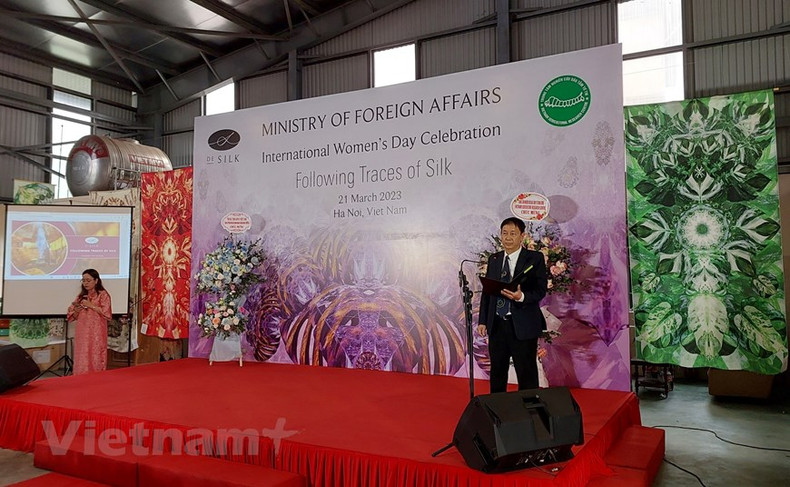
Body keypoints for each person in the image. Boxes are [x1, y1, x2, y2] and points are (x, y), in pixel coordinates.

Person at [477, 217, 548, 392]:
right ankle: (498, 412)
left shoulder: (534, 258)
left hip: (523, 325)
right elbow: (488, 292)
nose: (508, 237)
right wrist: (483, 320)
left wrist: (521, 296)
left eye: (513, 233)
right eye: (505, 233)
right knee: (498, 371)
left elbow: (540, 290)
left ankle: (528, 413)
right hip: (497, 325)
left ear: (522, 236)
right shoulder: (494, 259)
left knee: (526, 372)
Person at [67, 269, 112, 375]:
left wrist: (90, 305)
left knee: (95, 353)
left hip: (97, 332)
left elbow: (107, 313)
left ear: (96, 280)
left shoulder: (103, 295)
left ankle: (97, 377)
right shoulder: (80, 296)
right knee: (82, 354)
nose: (85, 283)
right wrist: (76, 311)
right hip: (82, 331)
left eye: (88, 280)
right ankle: (80, 377)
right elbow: (72, 316)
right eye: (83, 280)